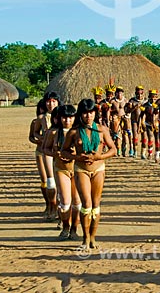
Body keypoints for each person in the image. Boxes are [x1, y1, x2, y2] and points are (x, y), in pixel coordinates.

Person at [61, 99, 116, 249]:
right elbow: (63, 151)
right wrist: (76, 157)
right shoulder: (74, 132)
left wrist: (99, 157)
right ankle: (85, 238)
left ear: (95, 113)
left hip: (99, 169)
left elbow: (113, 149)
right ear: (81, 114)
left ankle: (93, 237)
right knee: (86, 204)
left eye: (91, 113)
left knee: (96, 205)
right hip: (81, 169)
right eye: (85, 113)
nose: (88, 116)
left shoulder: (102, 129)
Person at [43, 105, 81, 240]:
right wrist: (56, 154)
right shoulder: (53, 133)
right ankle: (65, 226)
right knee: (65, 201)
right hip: (61, 170)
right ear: (59, 118)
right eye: (64, 117)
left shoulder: (79, 132)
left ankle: (74, 229)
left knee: (77, 202)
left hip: (77, 169)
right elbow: (45, 149)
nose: (67, 120)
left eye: (70, 117)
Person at [34, 92, 61, 220]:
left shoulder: (64, 115)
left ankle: (61, 209)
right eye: (49, 102)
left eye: (54, 101)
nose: (51, 104)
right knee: (49, 180)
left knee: (61, 181)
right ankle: (51, 206)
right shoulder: (41, 118)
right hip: (46, 152)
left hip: (60, 152)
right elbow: (34, 133)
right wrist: (43, 138)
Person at [29, 100, 49, 218]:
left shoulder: (55, 119)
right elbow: (31, 136)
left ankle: (54, 205)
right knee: (44, 179)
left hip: (52, 152)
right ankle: (48, 203)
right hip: (40, 151)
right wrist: (39, 140)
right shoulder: (36, 121)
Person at [125, 85, 148, 158]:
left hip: (144, 120)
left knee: (144, 136)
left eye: (141, 93)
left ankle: (143, 153)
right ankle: (135, 151)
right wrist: (134, 107)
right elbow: (127, 111)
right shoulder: (132, 100)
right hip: (134, 120)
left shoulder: (146, 100)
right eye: (138, 93)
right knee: (135, 136)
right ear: (136, 93)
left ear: (143, 92)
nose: (139, 94)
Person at [139, 89, 160, 161]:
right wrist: (142, 123)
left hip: (157, 124)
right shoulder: (145, 106)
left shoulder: (158, 105)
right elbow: (142, 115)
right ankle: (150, 154)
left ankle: (157, 155)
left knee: (157, 139)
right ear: (149, 97)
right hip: (148, 124)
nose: (153, 98)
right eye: (152, 96)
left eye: (155, 97)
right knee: (150, 138)